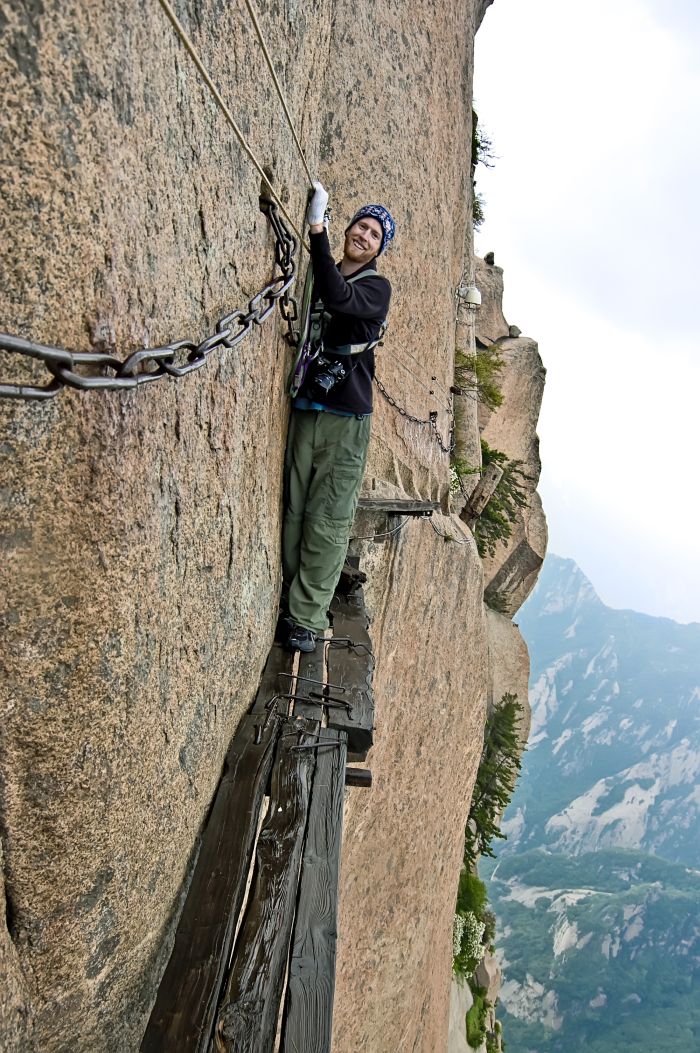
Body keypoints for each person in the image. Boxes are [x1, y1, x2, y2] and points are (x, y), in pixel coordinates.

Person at [280, 182, 395, 652]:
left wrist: (316, 229)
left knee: (327, 518)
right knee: (296, 507)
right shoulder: (321, 272)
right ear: (349, 229)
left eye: (374, 235)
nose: (365, 236)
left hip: (346, 417)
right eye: (361, 227)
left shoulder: (376, 288)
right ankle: (291, 600)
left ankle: (306, 619)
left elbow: (338, 294)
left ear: (378, 251)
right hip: (310, 405)